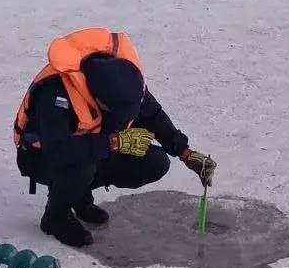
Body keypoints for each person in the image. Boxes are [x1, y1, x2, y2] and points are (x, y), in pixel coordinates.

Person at [14, 27, 216, 247]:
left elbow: (152, 115)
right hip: (42, 158)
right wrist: (113, 142)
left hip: (90, 149)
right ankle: (55, 216)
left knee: (154, 163)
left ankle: (80, 197)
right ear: (100, 101)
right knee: (83, 166)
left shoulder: (125, 80)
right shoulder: (56, 93)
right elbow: (58, 148)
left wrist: (185, 152)